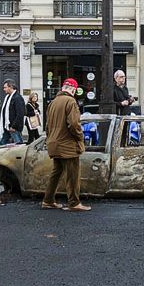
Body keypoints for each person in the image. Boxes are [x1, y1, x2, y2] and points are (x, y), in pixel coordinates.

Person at [41, 78, 91, 211]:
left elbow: (47, 126)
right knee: (72, 175)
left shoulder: (52, 103)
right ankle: (74, 203)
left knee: (56, 172)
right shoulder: (70, 101)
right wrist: (80, 137)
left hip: (54, 143)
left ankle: (48, 200)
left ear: (63, 88)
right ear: (73, 90)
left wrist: (50, 138)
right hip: (68, 144)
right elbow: (74, 124)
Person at [0, 79, 25, 145]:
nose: (4, 89)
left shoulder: (18, 98)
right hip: (7, 126)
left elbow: (20, 114)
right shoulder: (7, 97)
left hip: (14, 128)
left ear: (11, 87)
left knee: (19, 145)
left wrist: (14, 126)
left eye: (5, 87)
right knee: (1, 144)